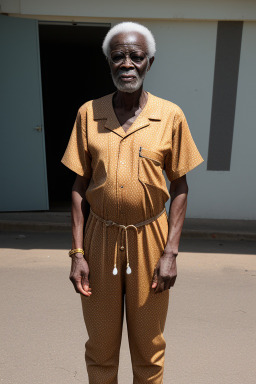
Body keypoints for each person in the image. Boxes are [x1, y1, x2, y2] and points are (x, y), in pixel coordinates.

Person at [61, 21, 203, 384]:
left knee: (149, 348)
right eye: (118, 57)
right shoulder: (88, 114)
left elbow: (180, 186)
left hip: (150, 240)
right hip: (100, 238)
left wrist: (170, 252)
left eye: (136, 57)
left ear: (149, 62)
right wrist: (77, 255)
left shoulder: (170, 116)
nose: (127, 64)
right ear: (108, 63)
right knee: (100, 346)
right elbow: (79, 187)